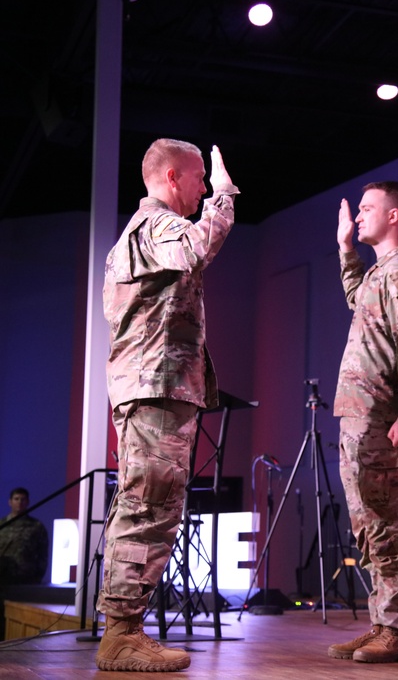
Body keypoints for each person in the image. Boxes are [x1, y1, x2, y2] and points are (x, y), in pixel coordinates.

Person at [96, 139, 238, 672]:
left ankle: (124, 628)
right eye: (199, 179)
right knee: (149, 506)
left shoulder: (145, 231)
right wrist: (222, 200)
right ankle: (121, 634)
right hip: (155, 386)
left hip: (156, 385)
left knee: (149, 504)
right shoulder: (157, 225)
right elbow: (200, 246)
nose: (203, 188)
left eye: (209, 183)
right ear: (174, 177)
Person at [327, 181, 398, 664]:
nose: (360, 215)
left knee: (390, 523)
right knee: (369, 526)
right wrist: (346, 249)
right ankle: (380, 623)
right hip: (358, 416)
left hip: (382, 415)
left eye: (369, 208)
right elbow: (357, 300)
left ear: (395, 216)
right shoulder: (377, 275)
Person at [0, 487, 49, 585]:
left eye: (23, 499)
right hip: (3, 577)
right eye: (16, 499)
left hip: (27, 578)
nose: (19, 502)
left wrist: (38, 577)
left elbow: (43, 554)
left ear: (27, 502)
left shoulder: (36, 526)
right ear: (10, 502)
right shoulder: (2, 524)